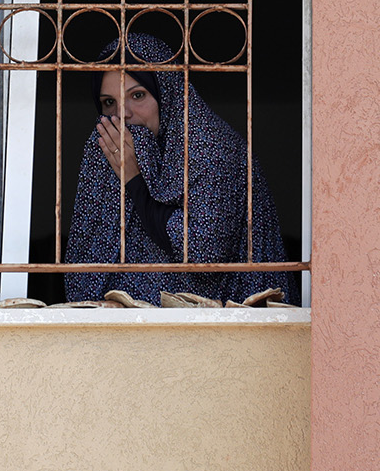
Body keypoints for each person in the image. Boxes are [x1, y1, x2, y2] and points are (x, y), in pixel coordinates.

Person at [64, 33, 286, 304]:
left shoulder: (210, 145)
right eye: (109, 102)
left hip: (237, 331)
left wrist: (134, 179)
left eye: (137, 95)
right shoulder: (116, 152)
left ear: (166, 92)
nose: (123, 114)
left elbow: (204, 250)